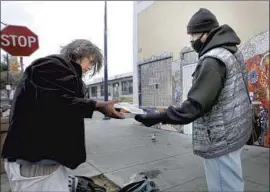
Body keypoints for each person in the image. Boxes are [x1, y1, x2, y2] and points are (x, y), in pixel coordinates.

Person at [135, 8, 252, 192]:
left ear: (206, 33)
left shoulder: (212, 60)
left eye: (194, 35)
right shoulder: (230, 52)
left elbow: (194, 106)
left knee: (223, 187)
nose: (191, 41)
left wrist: (158, 117)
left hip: (220, 138)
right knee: (232, 183)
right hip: (232, 132)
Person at [1, 39, 125, 191]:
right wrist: (97, 106)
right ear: (78, 52)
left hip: (42, 160)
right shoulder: (52, 65)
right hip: (35, 162)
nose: (90, 67)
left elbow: (60, 105)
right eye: (90, 61)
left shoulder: (60, 70)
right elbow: (54, 102)